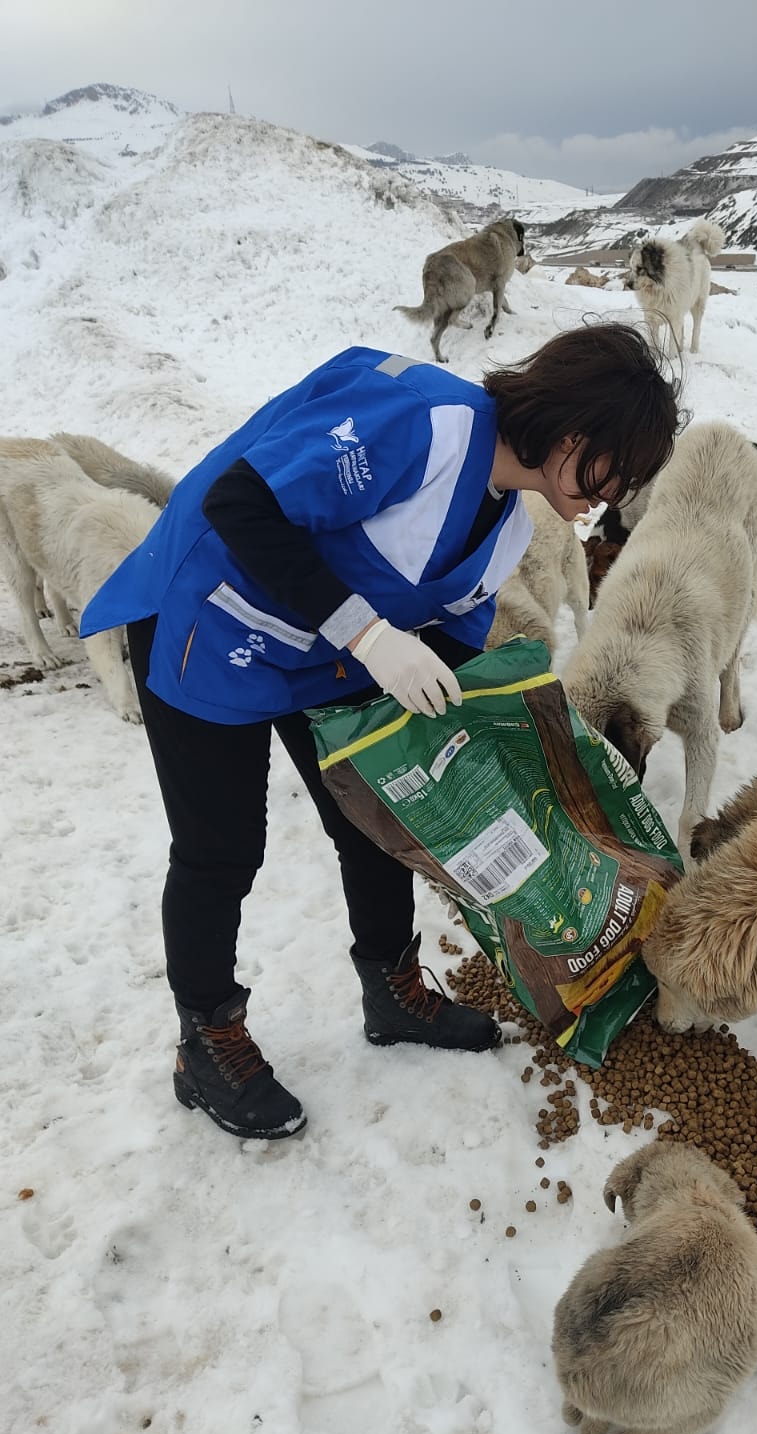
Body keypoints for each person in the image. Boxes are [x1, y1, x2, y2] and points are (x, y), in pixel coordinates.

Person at [82, 324, 681, 1142]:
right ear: (575, 435)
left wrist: (489, 741)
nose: (610, 497)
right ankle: (206, 1041)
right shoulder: (417, 425)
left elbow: (447, 642)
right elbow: (240, 503)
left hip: (317, 651)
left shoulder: (509, 527)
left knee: (372, 816)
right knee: (220, 851)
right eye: (617, 470)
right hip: (213, 621)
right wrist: (366, 636)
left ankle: (391, 991)